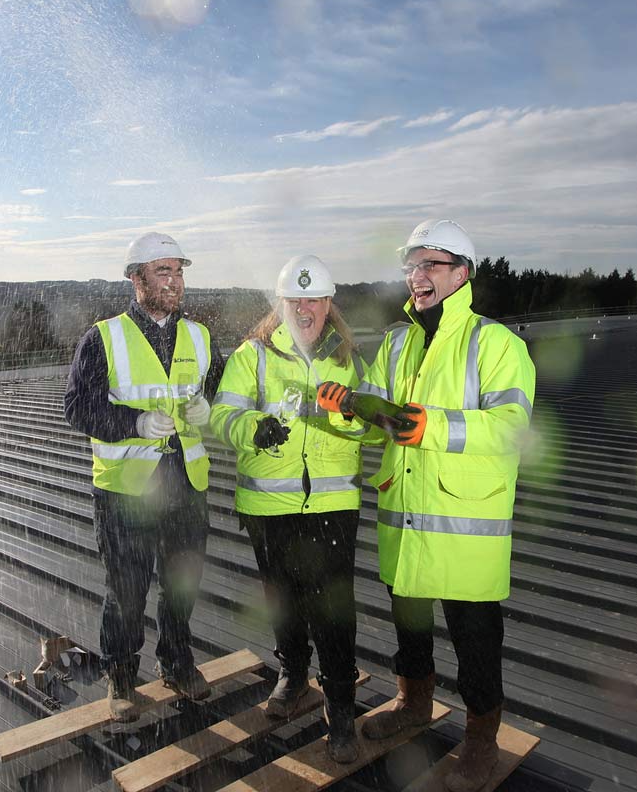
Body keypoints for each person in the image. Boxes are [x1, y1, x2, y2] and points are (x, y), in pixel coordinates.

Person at [319, 220, 535, 792]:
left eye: (429, 264)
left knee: (476, 641)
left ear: (461, 273)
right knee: (410, 626)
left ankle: (481, 740)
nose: (416, 276)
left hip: (467, 524)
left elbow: (512, 428)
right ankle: (413, 705)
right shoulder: (396, 342)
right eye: (411, 266)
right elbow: (383, 429)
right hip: (405, 514)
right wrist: (351, 411)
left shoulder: (495, 344)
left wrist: (431, 426)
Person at [210, 255, 369, 764]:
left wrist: (342, 416)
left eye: (314, 299)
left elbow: (367, 425)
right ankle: (294, 676)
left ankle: (341, 711)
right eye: (295, 300)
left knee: (333, 610)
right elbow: (223, 415)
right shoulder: (252, 356)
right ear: (281, 304)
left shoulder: (349, 359)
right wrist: (252, 427)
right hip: (269, 506)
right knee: (283, 599)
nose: (305, 308)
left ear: (328, 305)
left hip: (331, 504)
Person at [64, 231, 226, 723]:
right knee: (127, 588)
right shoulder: (104, 337)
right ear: (136, 278)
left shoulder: (199, 336)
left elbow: (218, 392)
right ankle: (120, 674)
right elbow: (77, 408)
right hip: (127, 489)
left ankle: (177, 662)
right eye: (163, 271)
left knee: (182, 580)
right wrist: (131, 422)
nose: (175, 282)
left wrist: (208, 408)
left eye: (179, 271)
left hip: (184, 481)